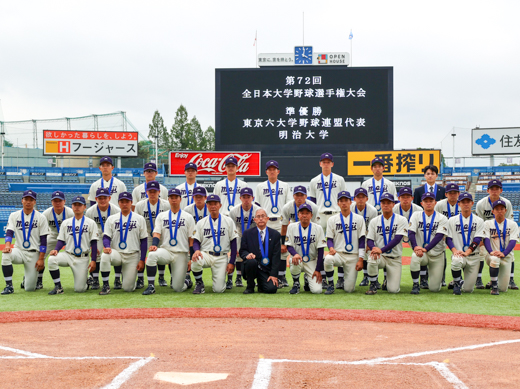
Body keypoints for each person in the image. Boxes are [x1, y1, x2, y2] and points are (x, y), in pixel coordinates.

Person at [142, 188, 196, 295]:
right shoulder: (162, 216)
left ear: (180, 199)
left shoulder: (188, 217)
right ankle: (151, 286)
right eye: (171, 197)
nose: (174, 199)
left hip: (182, 253)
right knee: (152, 255)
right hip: (166, 250)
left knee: (177, 288)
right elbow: (157, 233)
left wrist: (191, 257)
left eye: (176, 197)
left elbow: (191, 239)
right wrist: (154, 245)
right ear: (168, 199)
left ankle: (186, 281)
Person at [47, 196, 99, 294]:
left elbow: (94, 243)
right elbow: (61, 240)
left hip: (83, 257)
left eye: (80, 205)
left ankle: (87, 281)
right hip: (68, 254)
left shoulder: (91, 223)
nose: (77, 207)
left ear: (84, 207)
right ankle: (58, 287)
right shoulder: (66, 222)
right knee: (52, 259)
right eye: (75, 205)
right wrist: (56, 250)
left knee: (80, 289)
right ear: (72, 206)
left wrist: (93, 261)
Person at [98, 192, 148, 295]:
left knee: (128, 288)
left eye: (127, 202)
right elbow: (106, 236)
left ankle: (129, 279)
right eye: (122, 202)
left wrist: (142, 259)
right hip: (117, 253)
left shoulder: (139, 218)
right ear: (118, 203)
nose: (124, 204)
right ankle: (106, 285)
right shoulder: (111, 218)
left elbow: (144, 240)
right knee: (105, 256)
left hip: (133, 255)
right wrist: (107, 246)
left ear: (131, 203)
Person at [308, 152, 346, 287]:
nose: (326, 164)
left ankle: (341, 278)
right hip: (320, 215)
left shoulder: (339, 179)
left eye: (328, 162)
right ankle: (323, 277)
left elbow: (343, 199)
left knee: (340, 245)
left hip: (335, 213)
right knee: (319, 246)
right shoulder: (314, 180)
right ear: (320, 164)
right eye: (323, 162)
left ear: (332, 164)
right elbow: (312, 201)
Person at [1, 190, 50, 294]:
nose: (28, 202)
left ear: (35, 202)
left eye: (31, 200)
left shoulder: (41, 217)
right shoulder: (14, 215)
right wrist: (7, 245)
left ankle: (26, 280)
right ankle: (9, 286)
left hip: (33, 253)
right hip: (19, 250)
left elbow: (43, 240)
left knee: (29, 288)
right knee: (6, 254)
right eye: (26, 199)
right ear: (22, 201)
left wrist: (41, 258)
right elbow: (9, 232)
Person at [190, 194, 238, 294]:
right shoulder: (201, 222)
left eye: (215, 204)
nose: (213, 206)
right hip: (206, 254)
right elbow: (196, 241)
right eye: (210, 204)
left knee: (218, 290)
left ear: (220, 205)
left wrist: (231, 262)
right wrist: (197, 250)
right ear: (206, 206)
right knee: (195, 259)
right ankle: (199, 283)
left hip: (221, 257)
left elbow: (233, 243)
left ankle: (223, 280)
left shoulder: (228, 221)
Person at [254, 160, 290, 290]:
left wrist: (287, 221)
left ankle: (281, 277)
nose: (272, 171)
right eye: (269, 169)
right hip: (265, 221)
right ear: (266, 172)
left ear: (278, 171)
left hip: (281, 221)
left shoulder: (285, 186)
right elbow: (257, 205)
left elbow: (287, 206)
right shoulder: (260, 186)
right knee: (263, 248)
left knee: (282, 249)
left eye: (274, 169)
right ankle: (262, 275)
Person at [475, 179, 516, 290]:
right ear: (487, 190)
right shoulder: (481, 204)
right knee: (481, 253)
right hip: (487, 231)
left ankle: (510, 279)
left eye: (496, 189)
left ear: (501, 190)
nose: (494, 191)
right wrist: (481, 239)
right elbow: (479, 222)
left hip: (503, 232)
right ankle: (478, 279)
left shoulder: (506, 203)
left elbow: (509, 221)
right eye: (492, 189)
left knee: (509, 253)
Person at [323, 191, 366, 295]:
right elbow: (329, 238)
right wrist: (331, 248)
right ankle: (331, 284)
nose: (343, 203)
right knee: (328, 259)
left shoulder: (359, 219)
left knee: (349, 289)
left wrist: (361, 259)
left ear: (350, 202)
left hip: (353, 256)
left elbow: (362, 239)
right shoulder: (332, 219)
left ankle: (344, 282)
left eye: (346, 200)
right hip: (338, 254)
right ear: (338, 203)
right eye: (341, 201)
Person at [408, 192, 449, 294]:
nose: (428, 203)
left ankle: (435, 280)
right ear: (422, 203)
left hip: (437, 254)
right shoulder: (416, 215)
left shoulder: (442, 218)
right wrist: (415, 247)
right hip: (421, 252)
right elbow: (411, 232)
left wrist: (426, 248)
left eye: (431, 201)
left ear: (435, 202)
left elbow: (439, 236)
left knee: (435, 289)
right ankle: (416, 284)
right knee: (414, 257)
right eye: (426, 201)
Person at [366, 193, 407, 295]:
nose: (386, 205)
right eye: (383, 203)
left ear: (393, 204)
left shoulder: (401, 220)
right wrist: (374, 248)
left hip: (394, 258)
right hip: (381, 256)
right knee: (371, 257)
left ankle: (386, 280)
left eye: (389, 203)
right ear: (380, 204)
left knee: (393, 290)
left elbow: (397, 239)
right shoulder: (374, 221)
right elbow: (370, 240)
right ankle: (373, 284)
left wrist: (380, 249)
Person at [280, 186, 320, 287]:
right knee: (289, 253)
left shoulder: (313, 207)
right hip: (293, 229)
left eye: (301, 195)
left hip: (309, 227)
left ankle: (309, 275)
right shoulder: (287, 207)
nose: (299, 197)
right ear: (293, 196)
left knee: (312, 251)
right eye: (297, 195)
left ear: (306, 196)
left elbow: (315, 226)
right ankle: (291, 280)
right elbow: (284, 226)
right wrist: (283, 244)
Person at [446, 193, 485, 295]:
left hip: (473, 256)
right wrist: (454, 251)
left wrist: (467, 252)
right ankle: (457, 283)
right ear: (459, 204)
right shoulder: (452, 220)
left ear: (472, 203)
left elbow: (477, 239)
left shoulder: (479, 221)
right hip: (459, 253)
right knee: (456, 261)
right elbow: (448, 238)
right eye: (463, 202)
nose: (466, 204)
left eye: (468, 202)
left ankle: (458, 281)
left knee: (468, 290)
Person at [134, 180, 170, 288]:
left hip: (161, 234)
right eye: (150, 191)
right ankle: (140, 278)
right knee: (141, 255)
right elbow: (136, 221)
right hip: (145, 234)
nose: (153, 193)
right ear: (146, 192)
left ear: (159, 192)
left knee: (160, 254)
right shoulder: (140, 205)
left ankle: (161, 277)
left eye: (155, 191)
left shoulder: (166, 205)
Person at [286, 203, 326, 294]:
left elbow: (321, 250)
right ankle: (296, 283)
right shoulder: (291, 227)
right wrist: (295, 254)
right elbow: (289, 245)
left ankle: (307, 279)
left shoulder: (318, 228)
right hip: (298, 258)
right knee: (294, 260)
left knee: (317, 291)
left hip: (312, 260)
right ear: (298, 215)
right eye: (302, 213)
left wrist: (317, 270)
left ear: (311, 215)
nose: (304, 215)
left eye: (307, 213)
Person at [85, 187, 121, 290]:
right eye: (100, 198)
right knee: (96, 254)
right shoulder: (90, 211)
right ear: (96, 199)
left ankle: (117, 279)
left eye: (105, 198)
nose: (102, 200)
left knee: (116, 253)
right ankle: (95, 279)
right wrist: (92, 245)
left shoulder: (116, 210)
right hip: (97, 235)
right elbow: (89, 229)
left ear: (109, 198)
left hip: (113, 235)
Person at [239, 208, 280, 294]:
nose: (261, 218)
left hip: (266, 268)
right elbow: (242, 250)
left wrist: (273, 275)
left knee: (271, 289)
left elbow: (276, 256)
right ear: (255, 220)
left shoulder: (275, 234)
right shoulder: (247, 233)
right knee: (251, 262)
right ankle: (250, 286)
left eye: (263, 216)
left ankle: (261, 284)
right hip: (251, 267)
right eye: (258, 216)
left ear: (267, 218)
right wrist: (247, 255)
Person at [483, 200, 519, 295]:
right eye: (497, 209)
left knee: (503, 288)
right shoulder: (487, 223)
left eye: (502, 209)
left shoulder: (512, 224)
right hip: (492, 256)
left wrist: (504, 253)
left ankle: (493, 281)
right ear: (493, 211)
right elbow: (486, 239)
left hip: (506, 257)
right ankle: (494, 286)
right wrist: (490, 252)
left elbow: (513, 241)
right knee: (495, 259)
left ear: (505, 210)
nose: (499, 211)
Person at [40, 190, 73, 290]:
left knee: (78, 253)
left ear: (64, 201)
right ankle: (38, 280)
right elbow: (42, 231)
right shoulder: (46, 213)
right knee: (40, 254)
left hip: (69, 236)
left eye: (60, 200)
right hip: (53, 235)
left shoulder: (70, 212)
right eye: (55, 201)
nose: (57, 203)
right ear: (52, 202)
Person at [229, 188, 261, 288]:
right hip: (238, 234)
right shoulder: (234, 211)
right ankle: (237, 277)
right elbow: (232, 228)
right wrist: (235, 245)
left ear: (253, 198)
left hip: (254, 235)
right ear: (240, 198)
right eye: (244, 197)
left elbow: (261, 226)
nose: (246, 199)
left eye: (248, 197)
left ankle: (255, 278)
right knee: (237, 256)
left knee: (254, 256)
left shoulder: (257, 210)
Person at [348, 187, 378, 289]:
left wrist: (369, 243)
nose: (360, 199)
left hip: (367, 234)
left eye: (363, 197)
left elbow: (372, 228)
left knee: (369, 252)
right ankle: (342, 278)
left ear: (367, 198)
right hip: (352, 235)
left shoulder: (372, 210)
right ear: (354, 198)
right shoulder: (350, 208)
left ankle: (371, 277)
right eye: (358, 197)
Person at [434, 183, 461, 288]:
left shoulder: (462, 203)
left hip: (458, 233)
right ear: (446, 194)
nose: (453, 195)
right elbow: (435, 219)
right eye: (450, 193)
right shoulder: (440, 205)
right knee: (442, 254)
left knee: (459, 254)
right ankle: (442, 278)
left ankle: (458, 279)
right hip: (442, 232)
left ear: (458, 194)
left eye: (455, 193)